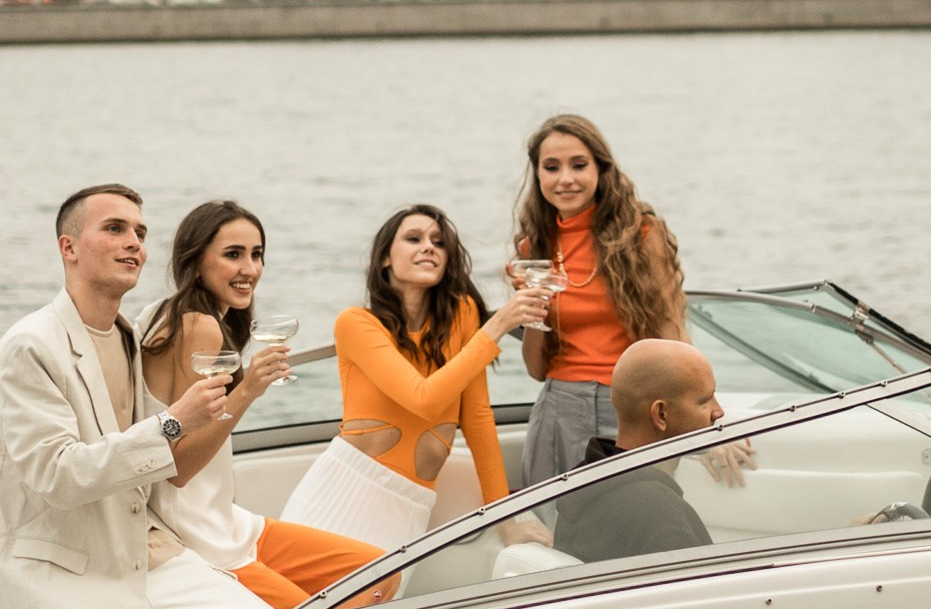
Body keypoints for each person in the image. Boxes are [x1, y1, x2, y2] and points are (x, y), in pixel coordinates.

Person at [0, 184, 277, 609]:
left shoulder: (126, 334)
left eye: (140, 231)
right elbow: (58, 475)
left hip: (147, 554)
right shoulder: (30, 346)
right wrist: (174, 422)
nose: (134, 241)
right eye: (114, 229)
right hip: (70, 575)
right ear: (68, 247)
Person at [136, 201, 388, 609]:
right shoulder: (197, 326)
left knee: (377, 572)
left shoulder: (165, 314)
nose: (250, 269)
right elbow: (178, 468)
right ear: (196, 260)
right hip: (198, 534)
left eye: (257, 255)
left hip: (229, 522)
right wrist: (248, 390)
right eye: (233, 255)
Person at [280, 205, 552, 553]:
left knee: (381, 606)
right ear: (384, 260)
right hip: (343, 491)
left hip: (411, 504)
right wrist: (498, 325)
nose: (429, 247)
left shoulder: (463, 316)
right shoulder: (356, 324)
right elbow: (423, 399)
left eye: (438, 242)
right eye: (414, 239)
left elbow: (478, 419)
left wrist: (505, 521)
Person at [514, 114, 689, 485]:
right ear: (538, 174)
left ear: (600, 169)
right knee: (556, 531)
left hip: (629, 408)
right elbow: (535, 369)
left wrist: (703, 408)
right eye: (551, 167)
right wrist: (531, 312)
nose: (566, 179)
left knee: (629, 527)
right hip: (557, 409)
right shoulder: (534, 246)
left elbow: (670, 329)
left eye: (579, 165)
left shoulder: (641, 233)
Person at [553, 340, 724, 563]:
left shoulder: (583, 485)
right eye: (705, 400)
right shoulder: (661, 513)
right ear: (661, 414)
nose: (718, 411)